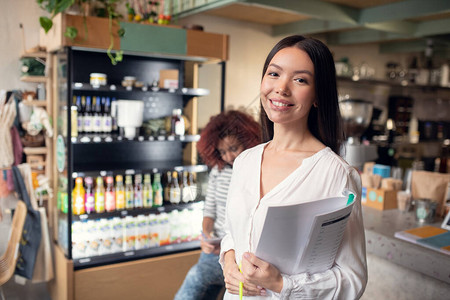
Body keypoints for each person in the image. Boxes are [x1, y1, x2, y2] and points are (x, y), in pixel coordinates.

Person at [220, 35, 367, 299]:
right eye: (274, 74)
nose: (281, 88)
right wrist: (229, 261)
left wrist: (282, 284)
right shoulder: (245, 161)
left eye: (300, 79)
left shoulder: (336, 174)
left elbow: (352, 279)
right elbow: (235, 232)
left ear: (318, 96)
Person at [174, 110, 261, 300]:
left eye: (233, 148)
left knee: (195, 280)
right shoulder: (218, 170)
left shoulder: (256, 170)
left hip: (243, 252)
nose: (228, 156)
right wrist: (206, 236)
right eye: (222, 152)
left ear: (248, 141)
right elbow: (209, 209)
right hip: (215, 250)